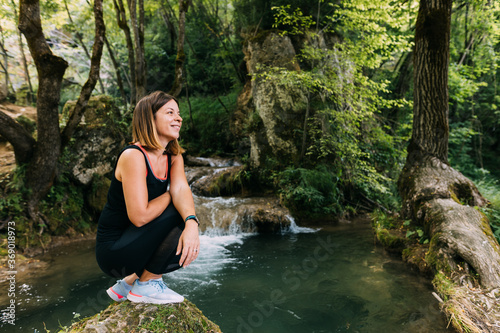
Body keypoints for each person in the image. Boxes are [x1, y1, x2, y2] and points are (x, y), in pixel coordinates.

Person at [95, 91, 200, 304]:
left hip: (136, 245)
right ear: (149, 118)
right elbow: (140, 216)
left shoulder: (173, 155)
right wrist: (172, 197)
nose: (178, 118)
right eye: (170, 112)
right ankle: (147, 284)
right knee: (177, 211)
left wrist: (192, 223)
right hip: (114, 252)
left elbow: (182, 190)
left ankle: (129, 284)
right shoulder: (133, 156)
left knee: (186, 213)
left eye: (178, 113)